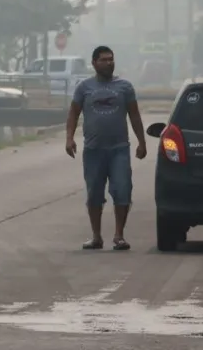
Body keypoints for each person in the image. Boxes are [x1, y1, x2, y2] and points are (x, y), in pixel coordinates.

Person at [65, 46, 147, 251]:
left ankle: (119, 235)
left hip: (119, 149)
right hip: (93, 150)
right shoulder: (84, 87)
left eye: (111, 59)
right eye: (103, 60)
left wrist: (142, 142)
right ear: (94, 63)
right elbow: (73, 113)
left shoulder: (124, 87)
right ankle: (96, 236)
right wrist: (69, 139)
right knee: (94, 193)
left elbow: (134, 116)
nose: (109, 63)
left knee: (122, 190)